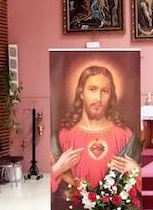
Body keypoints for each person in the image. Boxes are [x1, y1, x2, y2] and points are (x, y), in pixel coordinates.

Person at [51, 66, 139, 205]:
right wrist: (57, 169)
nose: (98, 98)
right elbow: (49, 181)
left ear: (111, 96)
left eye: (105, 91)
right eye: (92, 89)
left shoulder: (125, 135)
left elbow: (139, 185)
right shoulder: (63, 135)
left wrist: (136, 170)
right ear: (81, 93)